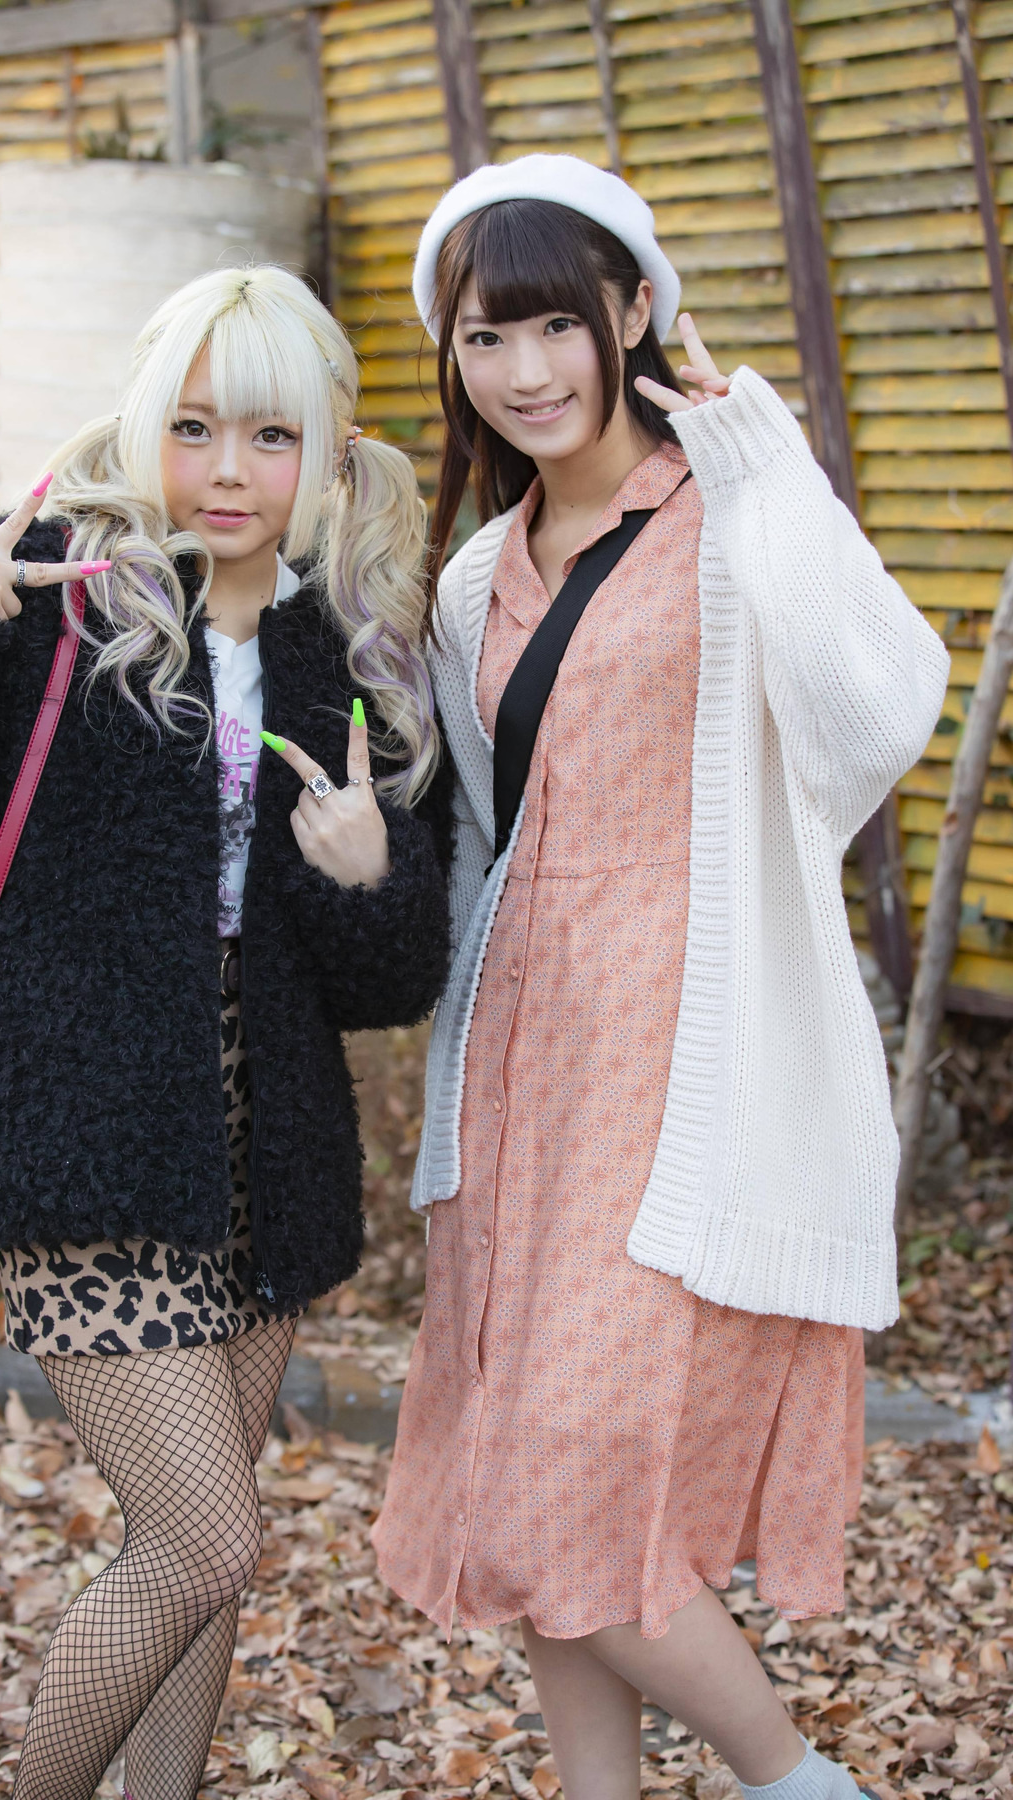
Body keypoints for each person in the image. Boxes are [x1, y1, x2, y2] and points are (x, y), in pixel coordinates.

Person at [0, 263, 451, 1800]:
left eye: (271, 437)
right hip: (80, 1129)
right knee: (205, 1537)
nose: (229, 471)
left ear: (325, 450)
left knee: (203, 1561)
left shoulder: (344, 650)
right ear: (142, 423)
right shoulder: (51, 600)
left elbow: (387, 980)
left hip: (263, 1139)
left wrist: (369, 876)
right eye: (193, 427)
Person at [371, 155, 949, 1800]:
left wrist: (763, 462)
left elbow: (878, 711)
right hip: (519, 1068)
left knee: (556, 1483)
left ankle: (797, 1785)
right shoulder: (477, 574)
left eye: (558, 323)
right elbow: (479, 842)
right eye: (488, 337)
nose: (527, 370)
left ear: (633, 312)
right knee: (529, 1476)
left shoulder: (734, 512)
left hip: (683, 1047)